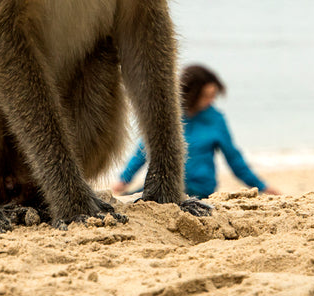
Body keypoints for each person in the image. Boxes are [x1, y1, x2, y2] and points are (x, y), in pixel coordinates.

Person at [112, 64, 280, 198]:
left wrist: (263, 187)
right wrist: (124, 179)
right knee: (128, 199)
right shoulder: (169, 116)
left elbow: (234, 159)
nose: (210, 101)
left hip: (200, 189)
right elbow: (143, 150)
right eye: (206, 96)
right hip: (166, 185)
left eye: (213, 95)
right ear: (190, 93)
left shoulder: (216, 120)